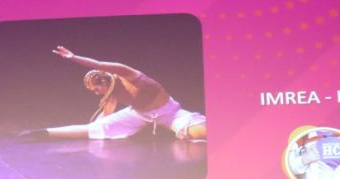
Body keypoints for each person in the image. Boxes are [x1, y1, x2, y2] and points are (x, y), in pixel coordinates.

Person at [21, 46, 206, 141]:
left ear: (103, 81)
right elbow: (99, 122)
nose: (96, 93)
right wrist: (98, 125)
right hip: (139, 114)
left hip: (168, 112)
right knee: (96, 128)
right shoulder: (112, 94)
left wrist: (74, 57)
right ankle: (44, 133)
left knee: (198, 132)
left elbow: (99, 64)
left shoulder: (128, 75)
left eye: (96, 89)